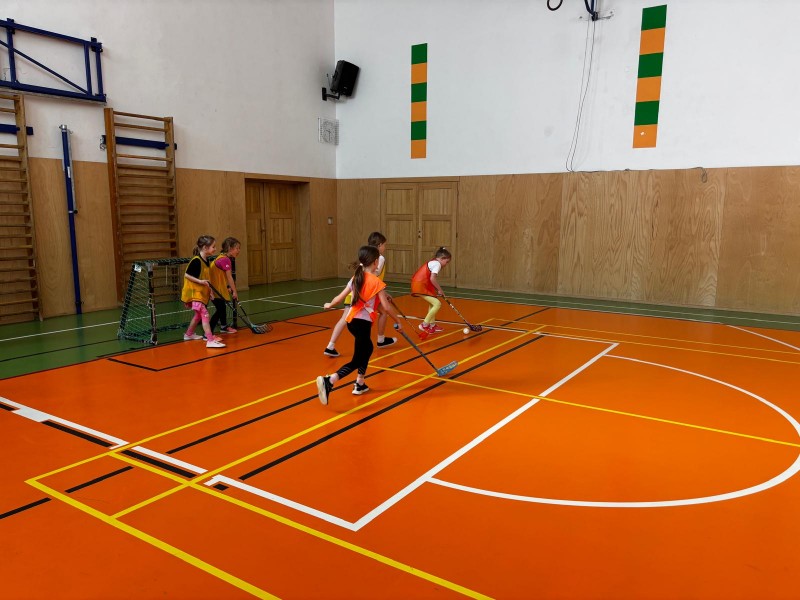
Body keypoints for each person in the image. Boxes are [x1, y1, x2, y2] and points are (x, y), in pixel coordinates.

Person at [316, 245, 403, 405]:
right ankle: (330, 381)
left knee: (367, 349)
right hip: (362, 324)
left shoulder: (357, 277)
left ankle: (360, 383)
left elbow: (340, 297)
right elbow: (386, 307)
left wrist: (330, 304)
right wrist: (398, 321)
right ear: (376, 262)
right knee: (357, 359)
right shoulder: (376, 282)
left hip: (352, 322)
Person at [323, 231, 397, 357]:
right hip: (364, 296)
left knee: (345, 319)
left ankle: (330, 346)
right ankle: (380, 339)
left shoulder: (366, 257)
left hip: (356, 293)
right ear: (379, 245)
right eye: (384, 245)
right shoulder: (379, 258)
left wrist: (383, 292)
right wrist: (382, 293)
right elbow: (373, 278)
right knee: (383, 312)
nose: (385, 247)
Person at [181, 235, 225, 349]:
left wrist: (210, 291)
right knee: (205, 314)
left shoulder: (207, 260)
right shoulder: (196, 261)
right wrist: (200, 282)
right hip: (194, 293)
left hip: (200, 293)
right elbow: (187, 275)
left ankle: (188, 334)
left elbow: (206, 278)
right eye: (213, 247)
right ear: (205, 248)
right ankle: (210, 340)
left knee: (198, 315)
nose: (215, 249)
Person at [410, 246, 452, 334]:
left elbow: (429, 278)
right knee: (437, 303)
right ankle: (424, 324)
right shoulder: (437, 264)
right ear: (442, 258)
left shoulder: (434, 261)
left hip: (422, 284)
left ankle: (432, 325)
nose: (446, 264)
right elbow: (432, 279)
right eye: (446, 262)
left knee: (432, 303)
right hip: (420, 285)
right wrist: (440, 290)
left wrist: (436, 290)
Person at [208, 237, 240, 336]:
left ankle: (223, 326)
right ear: (230, 248)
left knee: (222, 308)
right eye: (237, 248)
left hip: (217, 288)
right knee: (220, 310)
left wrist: (227, 287)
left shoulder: (221, 257)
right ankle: (208, 333)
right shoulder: (225, 259)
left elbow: (219, 275)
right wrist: (235, 291)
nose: (238, 250)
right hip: (215, 290)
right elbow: (229, 277)